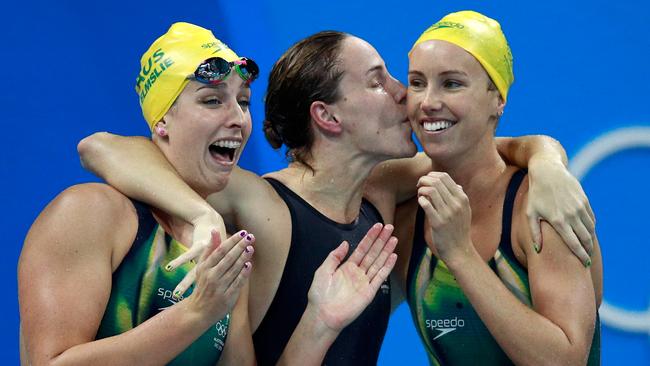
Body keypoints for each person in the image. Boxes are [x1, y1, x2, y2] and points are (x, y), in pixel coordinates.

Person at [77, 31, 595, 365]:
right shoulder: (262, 204)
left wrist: (548, 158)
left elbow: (477, 146)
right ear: (328, 116)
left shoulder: (385, 191)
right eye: (379, 80)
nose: (404, 93)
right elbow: (103, 147)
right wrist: (201, 212)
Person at [18, 23, 397, 366]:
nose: (237, 117)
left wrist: (319, 322)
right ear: (162, 120)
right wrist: (197, 313)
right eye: (212, 100)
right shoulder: (91, 213)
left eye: (243, 101)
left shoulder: (226, 251)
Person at [391, 11, 602, 365]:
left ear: (497, 99)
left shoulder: (542, 206)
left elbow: (566, 360)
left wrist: (460, 255)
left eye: (452, 83)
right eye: (416, 82)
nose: (427, 101)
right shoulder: (406, 214)